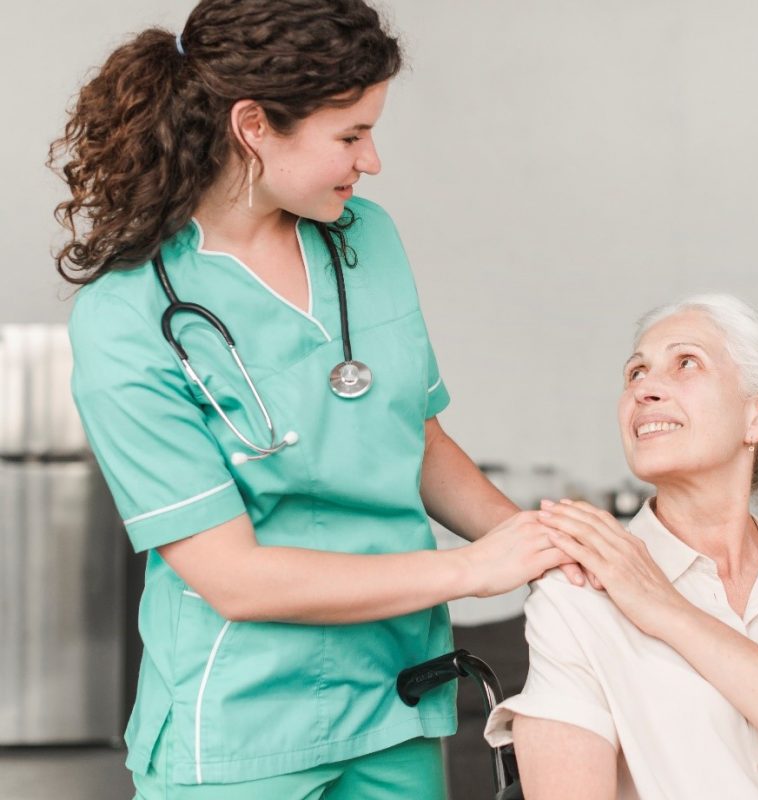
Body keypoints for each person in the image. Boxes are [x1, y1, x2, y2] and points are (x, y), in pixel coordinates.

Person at [50, 1, 582, 797]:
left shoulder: (367, 239)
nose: (372, 161)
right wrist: (472, 569)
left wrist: (538, 547)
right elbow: (234, 578)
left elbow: (416, 436)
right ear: (254, 126)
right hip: (240, 725)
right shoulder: (128, 319)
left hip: (394, 696)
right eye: (349, 134)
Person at [485, 294, 758, 800]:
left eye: (686, 362)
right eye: (635, 373)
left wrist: (668, 611)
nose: (645, 388)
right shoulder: (576, 596)